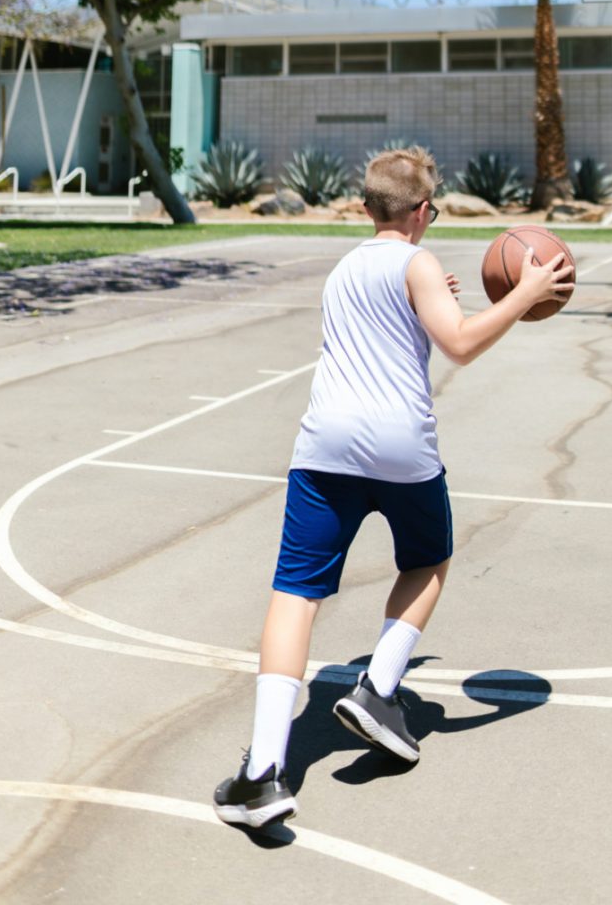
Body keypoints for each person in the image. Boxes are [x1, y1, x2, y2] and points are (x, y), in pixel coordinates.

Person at [213, 146, 575, 829]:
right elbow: (461, 344)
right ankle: (378, 688)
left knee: (295, 595)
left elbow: (393, 326)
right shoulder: (418, 263)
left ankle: (262, 773)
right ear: (420, 212)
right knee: (427, 561)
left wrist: (430, 299)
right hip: (399, 447)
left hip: (324, 447)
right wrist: (523, 294)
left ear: (365, 207)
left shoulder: (347, 267)